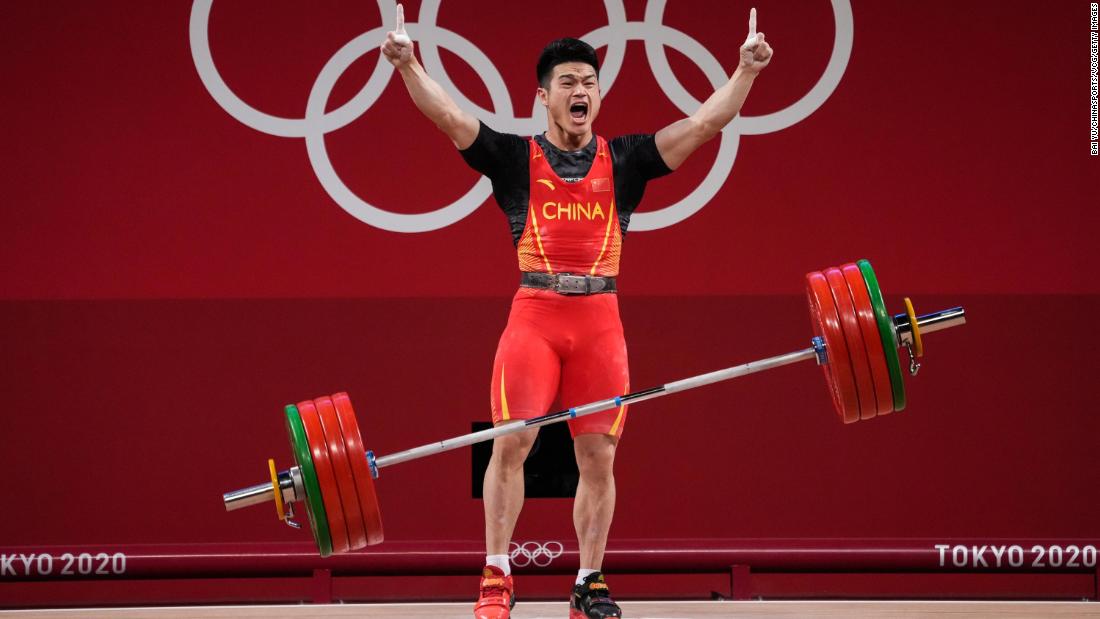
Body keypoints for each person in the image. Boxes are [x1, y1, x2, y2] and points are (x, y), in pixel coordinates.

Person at [381, 6, 772, 618]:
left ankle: (589, 580)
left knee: (599, 457)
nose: (580, 91)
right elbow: (451, 116)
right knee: (511, 445)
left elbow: (701, 125)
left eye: (589, 82)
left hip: (600, 322)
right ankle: (496, 574)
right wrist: (408, 64)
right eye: (567, 82)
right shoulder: (514, 160)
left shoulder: (628, 162)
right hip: (535, 317)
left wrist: (744, 73)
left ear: (599, 94)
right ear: (543, 96)